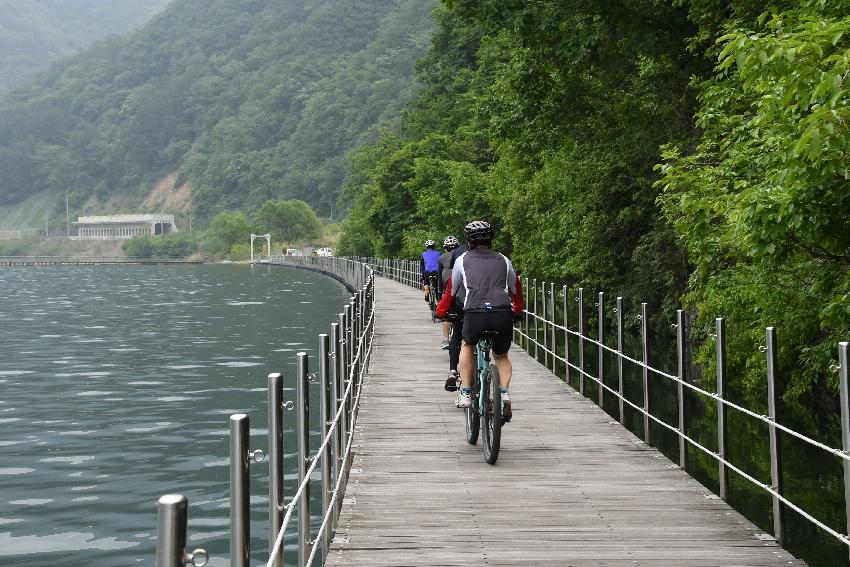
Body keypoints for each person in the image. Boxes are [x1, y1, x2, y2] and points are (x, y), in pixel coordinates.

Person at [436, 221, 524, 420]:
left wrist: (441, 311)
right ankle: (504, 393)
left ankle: (466, 393)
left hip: (475, 312)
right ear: (490, 238)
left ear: (468, 240)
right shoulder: (504, 259)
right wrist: (517, 311)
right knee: (501, 356)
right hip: (502, 312)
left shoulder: (463, 259)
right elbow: (515, 290)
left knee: (467, 345)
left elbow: (451, 290)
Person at [437, 235, 460, 350]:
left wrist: (439, 291)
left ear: (445, 248)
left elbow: (440, 276)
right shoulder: (463, 256)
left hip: (448, 290)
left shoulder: (442, 258)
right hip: (464, 291)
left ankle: (445, 340)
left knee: (446, 315)